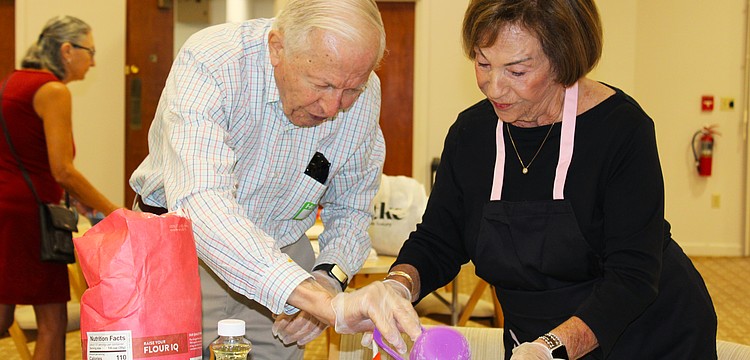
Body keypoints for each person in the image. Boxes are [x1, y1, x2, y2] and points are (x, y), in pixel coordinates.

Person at [381, 0, 719, 359]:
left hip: (648, 338)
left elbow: (632, 277)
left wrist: (551, 349)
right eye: (482, 64)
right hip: (534, 340)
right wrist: (398, 285)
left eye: (517, 71)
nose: (493, 88)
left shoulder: (621, 130)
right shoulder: (471, 134)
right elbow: (438, 240)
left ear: (563, 62)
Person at [128, 0, 421, 359]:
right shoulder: (214, 61)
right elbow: (201, 202)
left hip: (283, 250)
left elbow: (351, 209)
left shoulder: (362, 90)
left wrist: (327, 278)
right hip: (180, 253)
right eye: (322, 84)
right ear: (277, 48)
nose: (333, 108)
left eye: (350, 91)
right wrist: (317, 300)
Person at [0, 15, 120, 360]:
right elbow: (62, 170)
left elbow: (27, 156)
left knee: (4, 312)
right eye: (90, 51)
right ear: (67, 50)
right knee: (52, 318)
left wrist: (78, 202)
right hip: (32, 217)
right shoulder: (53, 90)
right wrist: (114, 210)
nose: (93, 62)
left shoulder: (13, 81)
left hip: (9, 208)